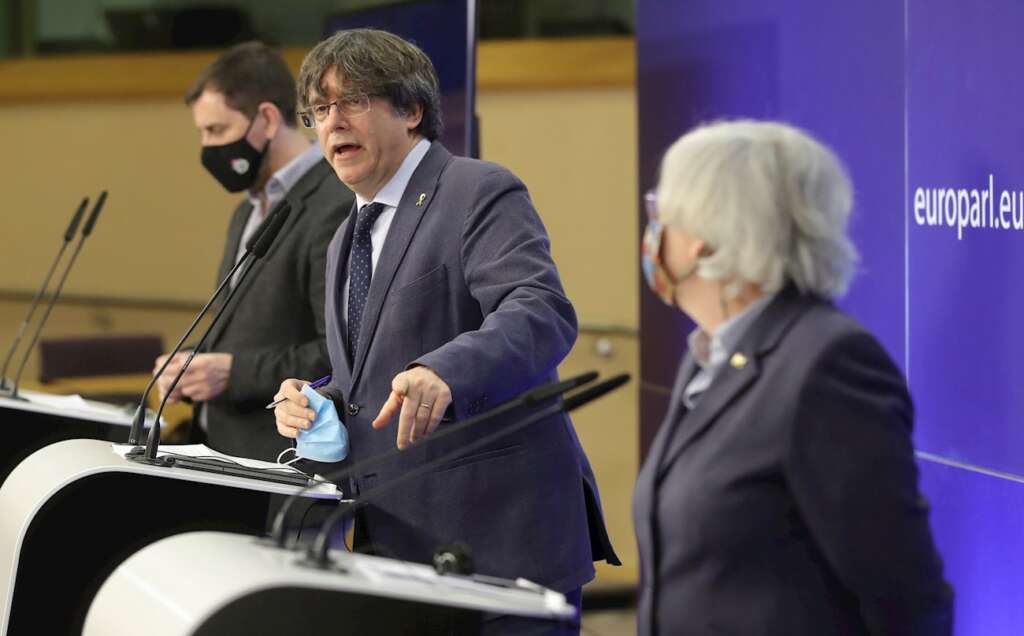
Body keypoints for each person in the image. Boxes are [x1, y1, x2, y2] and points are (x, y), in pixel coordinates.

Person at [272, 29, 619, 633]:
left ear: (411, 110)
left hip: (499, 548)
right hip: (397, 547)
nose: (332, 123)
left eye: (352, 101)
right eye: (320, 110)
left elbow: (538, 308)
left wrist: (445, 371)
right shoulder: (343, 240)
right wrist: (315, 400)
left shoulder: (476, 190)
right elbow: (370, 375)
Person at [634, 120, 953, 635]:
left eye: (660, 213)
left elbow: (906, 595)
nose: (653, 234)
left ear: (705, 237)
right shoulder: (709, 353)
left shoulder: (829, 365)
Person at [153, 42, 352, 462]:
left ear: (265, 119)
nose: (208, 147)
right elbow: (244, 330)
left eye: (217, 130)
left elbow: (338, 350)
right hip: (220, 447)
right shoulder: (248, 207)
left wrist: (232, 373)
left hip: (280, 458)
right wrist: (193, 368)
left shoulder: (335, 202)